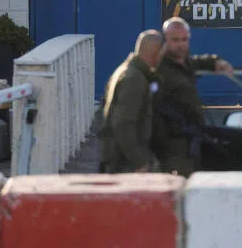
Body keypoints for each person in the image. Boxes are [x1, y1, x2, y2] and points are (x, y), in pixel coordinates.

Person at [152, 17, 234, 177]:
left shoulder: (184, 63)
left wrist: (215, 62)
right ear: (165, 41)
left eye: (184, 39)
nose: (180, 44)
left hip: (191, 140)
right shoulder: (159, 70)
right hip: (172, 144)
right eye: (175, 40)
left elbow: (197, 62)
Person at [98, 30, 164, 174]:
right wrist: (139, 161)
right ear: (155, 53)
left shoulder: (125, 71)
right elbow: (123, 124)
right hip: (124, 164)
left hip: (117, 159)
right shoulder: (135, 79)